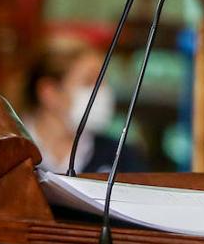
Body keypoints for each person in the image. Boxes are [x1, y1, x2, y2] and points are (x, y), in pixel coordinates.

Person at [20, 35, 144, 174]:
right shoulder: (12, 153)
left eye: (103, 82)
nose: (102, 92)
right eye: (89, 82)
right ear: (49, 92)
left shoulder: (121, 157)